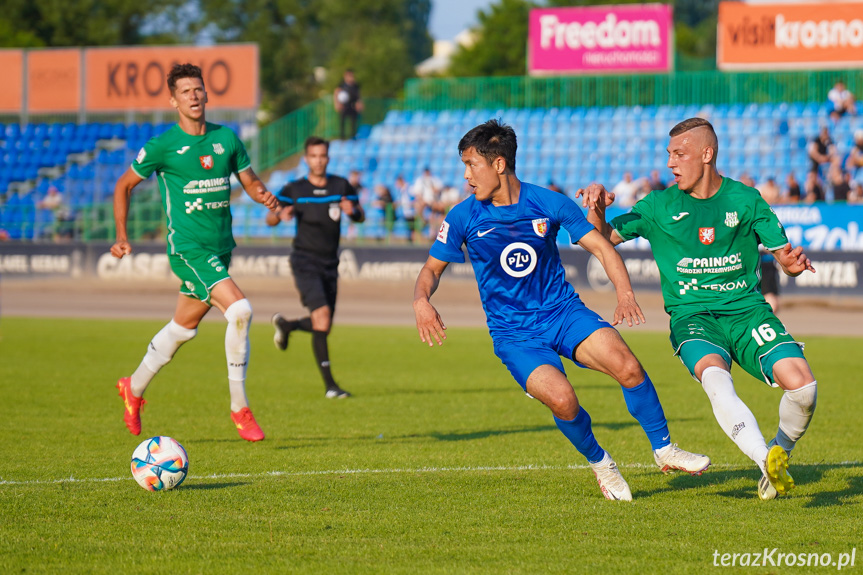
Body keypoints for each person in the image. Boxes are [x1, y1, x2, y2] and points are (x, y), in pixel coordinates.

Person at [413, 120, 710, 501]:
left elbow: (602, 247)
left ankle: (665, 449)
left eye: (472, 165)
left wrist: (624, 294)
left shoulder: (548, 203)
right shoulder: (463, 216)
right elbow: (430, 270)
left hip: (562, 313)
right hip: (514, 334)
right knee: (564, 399)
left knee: (628, 365)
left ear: (499, 164)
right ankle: (601, 463)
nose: (467, 176)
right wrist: (422, 300)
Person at [578, 117, 818, 500]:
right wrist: (598, 208)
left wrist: (793, 265)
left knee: (804, 388)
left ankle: (779, 457)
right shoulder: (658, 205)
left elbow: (784, 259)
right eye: (669, 154)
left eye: (679, 154)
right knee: (715, 378)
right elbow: (599, 238)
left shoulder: (745, 199)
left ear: (706, 154)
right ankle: (763, 458)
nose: (671, 163)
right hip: (693, 318)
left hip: (748, 313)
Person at [112, 63, 278, 442]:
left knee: (182, 329)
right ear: (173, 100)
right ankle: (240, 408)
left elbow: (249, 180)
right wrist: (122, 235)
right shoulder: (162, 147)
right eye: (185, 91)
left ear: (206, 93)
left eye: (198, 89)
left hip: (221, 248)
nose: (194, 96)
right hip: (187, 250)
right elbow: (124, 185)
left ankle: (133, 389)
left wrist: (265, 197)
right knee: (240, 311)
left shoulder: (227, 139)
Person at [268, 136, 365, 398]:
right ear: (306, 159)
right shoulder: (294, 189)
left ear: (328, 158)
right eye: (313, 156)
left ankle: (287, 326)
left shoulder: (340, 185)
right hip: (304, 261)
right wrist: (280, 215)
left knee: (323, 325)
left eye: (322, 156)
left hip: (330, 263)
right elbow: (270, 217)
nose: (318, 160)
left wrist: (352, 211)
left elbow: (360, 214)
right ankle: (331, 387)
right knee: (321, 318)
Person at [334, 69, 363, 140]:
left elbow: (358, 95)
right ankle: (342, 138)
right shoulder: (342, 85)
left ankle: (353, 137)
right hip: (344, 106)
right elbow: (336, 93)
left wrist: (359, 103)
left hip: (353, 106)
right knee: (342, 122)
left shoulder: (355, 85)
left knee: (353, 122)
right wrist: (337, 103)